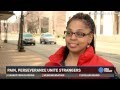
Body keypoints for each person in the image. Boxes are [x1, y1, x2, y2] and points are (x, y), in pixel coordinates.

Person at [45, 13, 119, 79]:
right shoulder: (50, 66)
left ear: (90, 37)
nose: (72, 38)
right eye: (69, 32)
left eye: (79, 34)